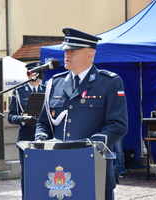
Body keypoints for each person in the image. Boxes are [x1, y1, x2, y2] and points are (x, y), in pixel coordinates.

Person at [35, 28, 128, 200]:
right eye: (66, 50)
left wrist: (89, 146)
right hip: (59, 170)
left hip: (94, 168)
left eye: (73, 51)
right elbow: (44, 123)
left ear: (89, 55)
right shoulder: (56, 83)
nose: (67, 54)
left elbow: (118, 125)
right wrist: (41, 139)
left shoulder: (109, 82)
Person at [7, 62, 46, 200]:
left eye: (38, 72)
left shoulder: (47, 90)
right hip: (26, 137)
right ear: (28, 74)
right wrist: (23, 118)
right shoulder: (18, 91)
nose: (36, 76)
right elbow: (10, 117)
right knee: (27, 173)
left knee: (44, 172)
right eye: (33, 72)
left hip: (44, 138)